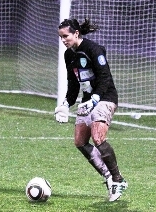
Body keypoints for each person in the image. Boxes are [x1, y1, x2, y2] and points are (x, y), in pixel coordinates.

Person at [54, 18, 127, 202]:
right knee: (79, 141)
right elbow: (73, 84)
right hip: (88, 100)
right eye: (61, 37)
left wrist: (95, 99)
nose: (63, 40)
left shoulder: (94, 50)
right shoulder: (68, 55)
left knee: (98, 136)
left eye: (66, 36)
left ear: (76, 33)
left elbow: (105, 78)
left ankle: (118, 180)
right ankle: (108, 176)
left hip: (105, 98)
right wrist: (65, 104)